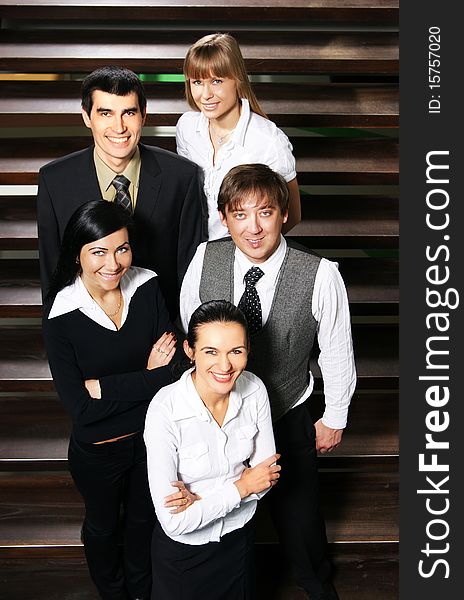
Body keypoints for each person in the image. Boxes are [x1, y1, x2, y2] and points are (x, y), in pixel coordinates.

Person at [180, 164, 356, 600]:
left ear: (283, 214)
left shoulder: (320, 273)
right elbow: (192, 328)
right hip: (218, 414)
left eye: (265, 213)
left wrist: (334, 416)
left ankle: (316, 582)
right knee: (223, 510)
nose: (253, 228)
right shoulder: (206, 257)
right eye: (240, 215)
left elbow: (336, 349)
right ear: (225, 217)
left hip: (287, 410)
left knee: (299, 516)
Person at [42, 200, 179, 600]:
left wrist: (105, 386)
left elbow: (173, 373)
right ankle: (112, 593)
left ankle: (140, 591)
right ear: (78, 254)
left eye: (122, 248)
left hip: (152, 439)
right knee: (103, 528)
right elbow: (82, 410)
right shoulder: (61, 314)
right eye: (98, 251)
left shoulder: (147, 285)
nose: (113, 263)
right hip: (100, 452)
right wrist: (149, 377)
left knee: (143, 522)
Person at [37, 65, 206, 319]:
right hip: (88, 336)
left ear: (144, 116)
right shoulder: (55, 181)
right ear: (86, 116)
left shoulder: (182, 177)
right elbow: (54, 277)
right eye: (105, 113)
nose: (119, 127)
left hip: (164, 335)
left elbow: (191, 275)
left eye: (129, 113)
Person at [144, 300, 280, 600]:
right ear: (189, 351)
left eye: (236, 351)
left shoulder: (254, 389)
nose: (225, 365)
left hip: (239, 539)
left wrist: (201, 500)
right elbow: (175, 520)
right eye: (211, 352)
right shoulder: (164, 409)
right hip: (184, 556)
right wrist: (241, 486)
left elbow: (267, 479)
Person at [176, 32, 301, 240]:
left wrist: (250, 247)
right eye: (197, 82)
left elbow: (293, 215)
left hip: (241, 257)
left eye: (216, 81)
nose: (205, 94)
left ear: (237, 80)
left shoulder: (269, 141)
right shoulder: (187, 127)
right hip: (192, 254)